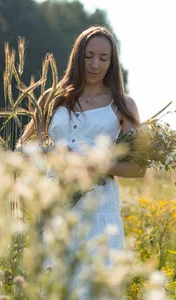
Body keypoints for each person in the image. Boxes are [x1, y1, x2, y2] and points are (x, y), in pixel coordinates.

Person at [18, 25, 145, 299]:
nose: (95, 64)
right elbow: (24, 149)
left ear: (112, 63)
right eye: (89, 56)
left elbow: (138, 167)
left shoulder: (122, 105)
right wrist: (52, 155)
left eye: (103, 58)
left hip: (100, 211)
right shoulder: (53, 99)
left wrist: (91, 163)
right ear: (78, 56)